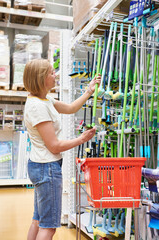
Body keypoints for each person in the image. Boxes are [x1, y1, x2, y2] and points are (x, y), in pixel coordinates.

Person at [23, 59, 101, 240]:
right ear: (41, 78)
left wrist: (89, 90)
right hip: (47, 168)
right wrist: (81, 139)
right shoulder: (38, 107)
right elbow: (54, 145)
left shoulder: (43, 99)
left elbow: (71, 108)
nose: (55, 75)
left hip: (40, 165)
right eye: (51, 72)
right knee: (49, 227)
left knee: (38, 219)